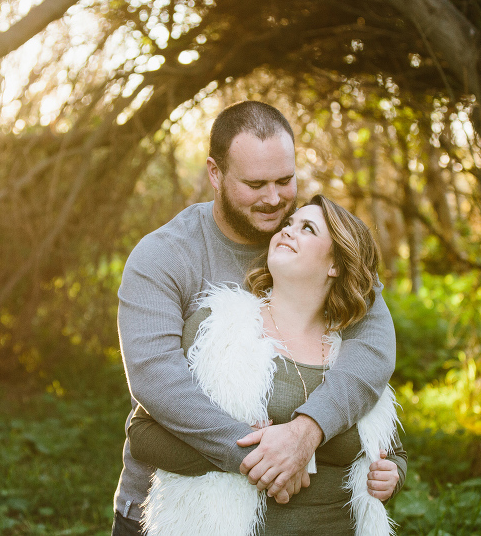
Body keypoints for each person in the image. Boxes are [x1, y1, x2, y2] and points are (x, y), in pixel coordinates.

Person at [112, 101, 397, 535]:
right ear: (215, 173)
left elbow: (374, 344)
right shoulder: (164, 256)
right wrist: (264, 456)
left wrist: (307, 432)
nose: (274, 199)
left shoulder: (320, 248)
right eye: (255, 184)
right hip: (169, 507)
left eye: (285, 180)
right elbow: (156, 379)